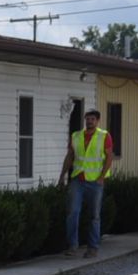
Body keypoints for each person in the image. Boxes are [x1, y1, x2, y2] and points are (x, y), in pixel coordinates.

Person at [59, 109, 112, 257]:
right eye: (87, 119)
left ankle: (93, 247)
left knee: (94, 215)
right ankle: (72, 246)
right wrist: (62, 176)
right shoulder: (76, 136)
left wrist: (102, 177)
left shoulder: (104, 136)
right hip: (78, 179)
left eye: (92, 119)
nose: (89, 121)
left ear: (98, 121)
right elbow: (70, 156)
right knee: (72, 212)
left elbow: (109, 157)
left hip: (95, 181)